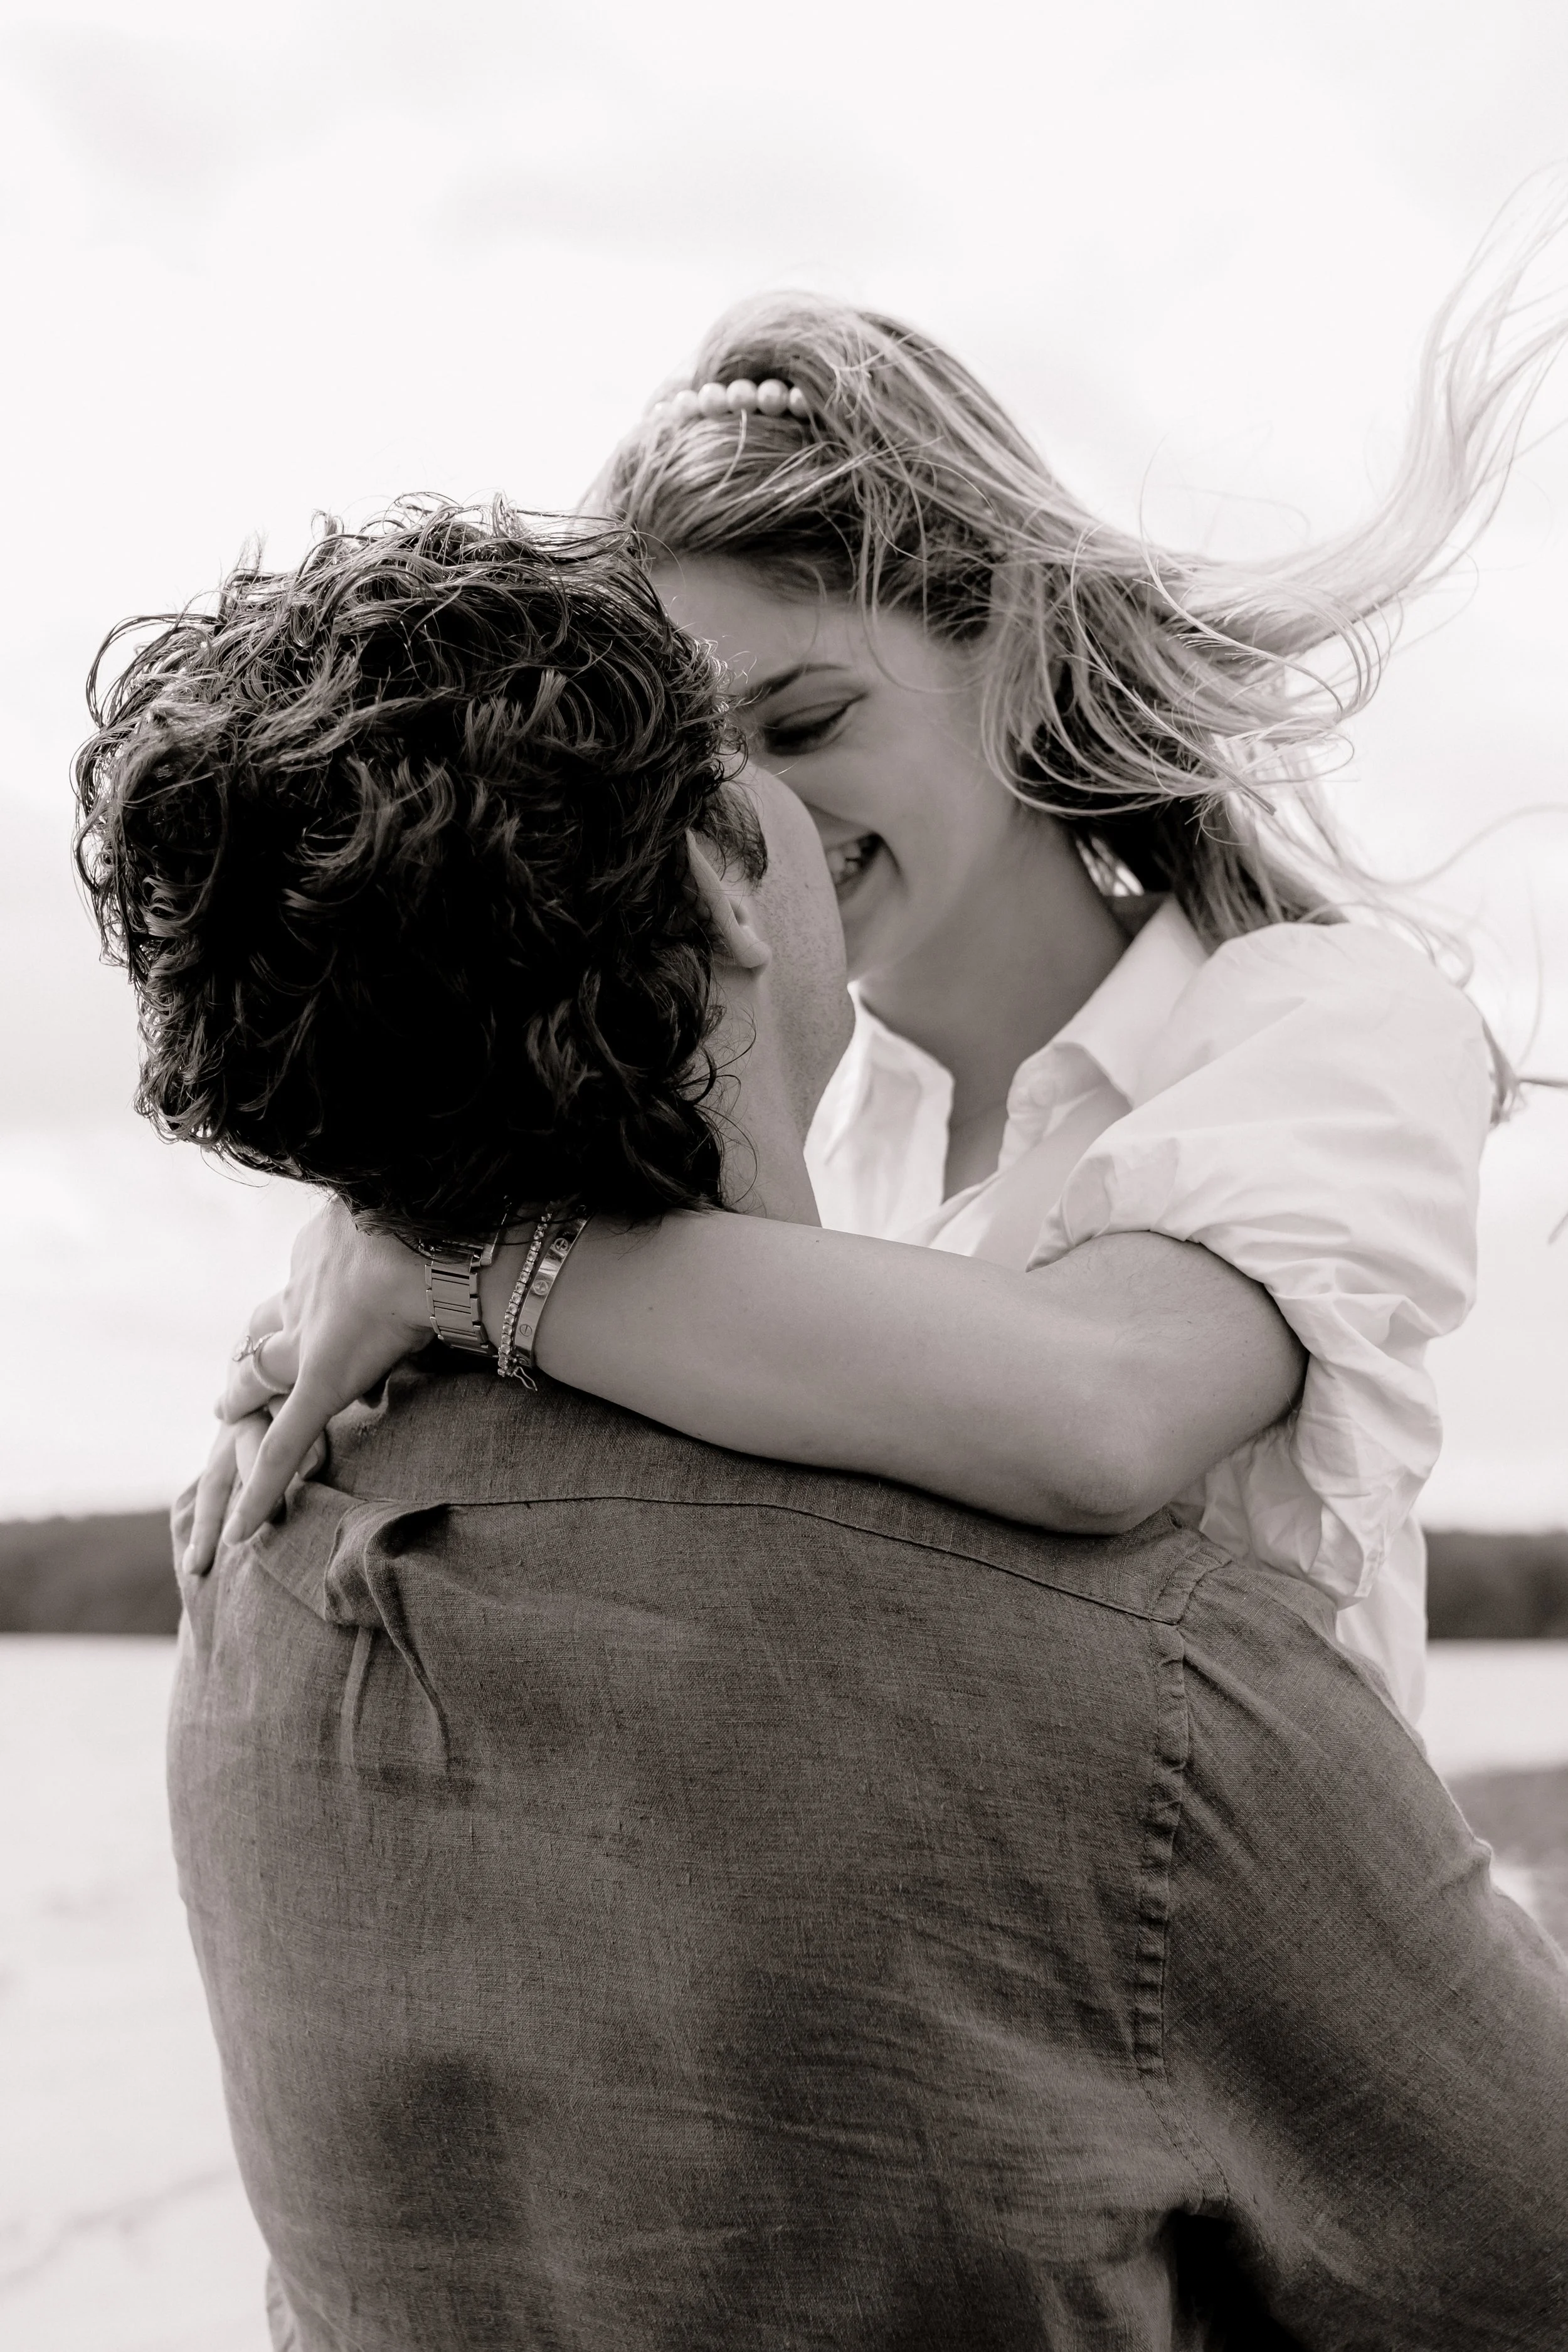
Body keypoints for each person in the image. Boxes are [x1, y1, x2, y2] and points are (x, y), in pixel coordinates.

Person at [78, 504, 1568, 2346]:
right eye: (744, 754)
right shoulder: (1150, 1690)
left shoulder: (248, 1574)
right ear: (717, 873)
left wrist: (456, 1253)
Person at [208, 241, 1566, 1720]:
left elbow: (1102, 1412)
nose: (745, 831)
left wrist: (459, 1266)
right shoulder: (778, 1135)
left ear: (1020, 650)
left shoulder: (1318, 1024)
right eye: (685, 775)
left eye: (804, 722)